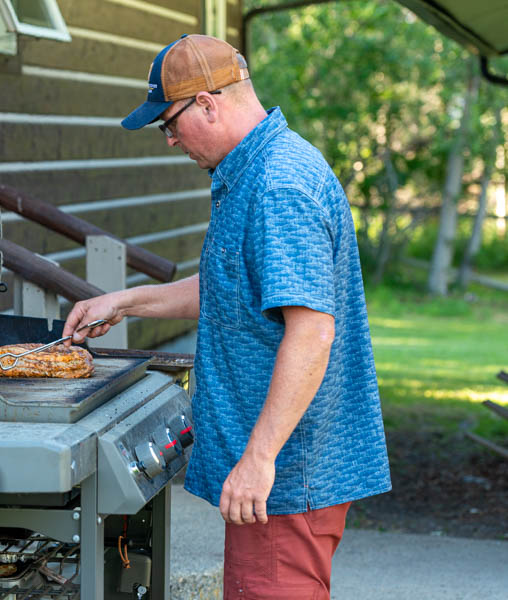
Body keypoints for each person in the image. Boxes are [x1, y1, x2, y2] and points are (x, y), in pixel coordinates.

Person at [62, 34, 391, 599]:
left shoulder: (277, 186)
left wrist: (259, 460)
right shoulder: (253, 172)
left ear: (208, 103)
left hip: (285, 484)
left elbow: (312, 332)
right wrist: (124, 302)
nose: (169, 141)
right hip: (275, 482)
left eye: (169, 124)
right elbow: (231, 288)